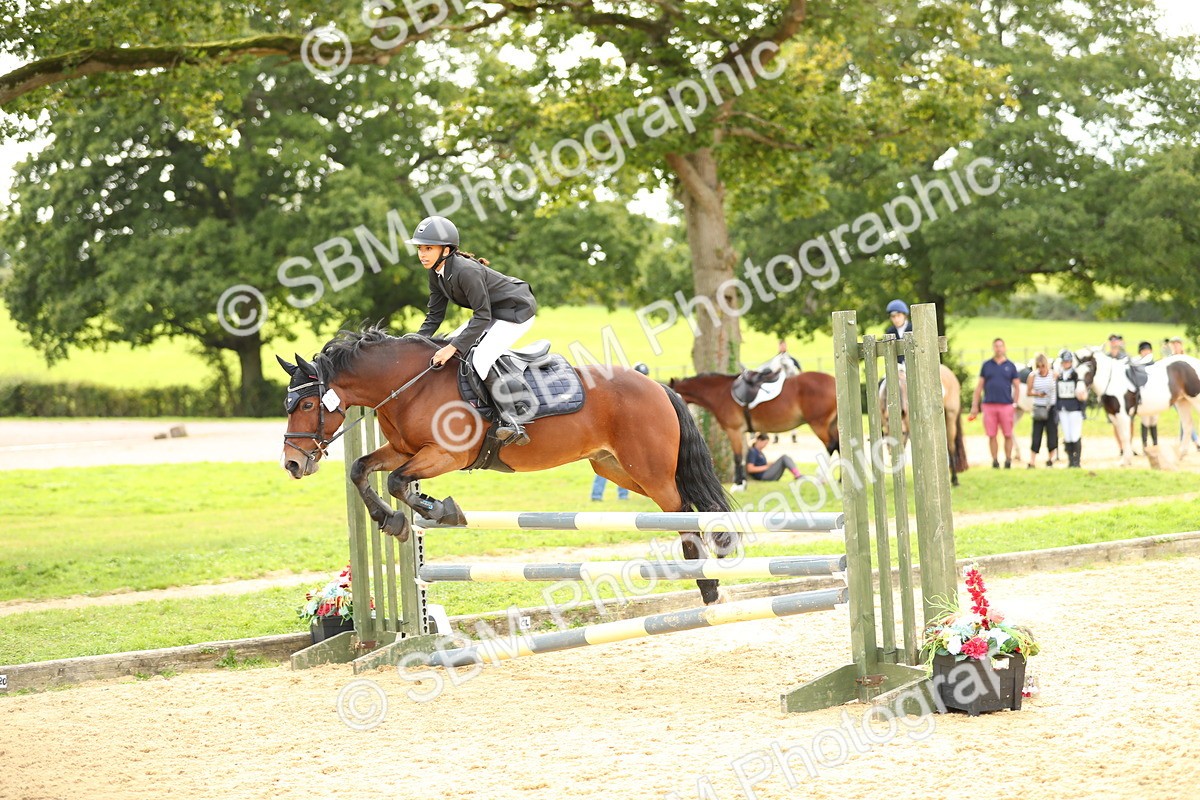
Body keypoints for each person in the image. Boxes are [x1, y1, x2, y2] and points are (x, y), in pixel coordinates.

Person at [412, 216, 538, 446]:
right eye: (420, 248)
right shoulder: (436, 272)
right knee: (453, 345)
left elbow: (482, 316)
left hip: (515, 311)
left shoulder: (465, 271)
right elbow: (434, 317)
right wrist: (413, 343)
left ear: (446, 249)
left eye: (428, 248)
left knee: (480, 357)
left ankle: (512, 419)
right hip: (491, 312)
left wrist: (452, 348)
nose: (422, 254)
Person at [969, 338, 1021, 468]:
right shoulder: (987, 365)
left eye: (1000, 346)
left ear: (1004, 348)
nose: (998, 349)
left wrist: (1014, 403)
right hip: (989, 405)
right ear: (993, 348)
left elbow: (1017, 386)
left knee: (1008, 434)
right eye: (996, 346)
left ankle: (1008, 460)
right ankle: (995, 460)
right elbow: (979, 386)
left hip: (1006, 405)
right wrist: (975, 405)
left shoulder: (1010, 366)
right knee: (992, 435)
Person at [1025, 353, 1058, 468]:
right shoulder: (1033, 376)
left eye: (1043, 366)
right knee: (1036, 435)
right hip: (1039, 408)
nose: (1041, 369)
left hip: (1051, 408)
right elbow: (1028, 392)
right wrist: (1038, 394)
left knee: (1052, 434)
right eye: (1038, 366)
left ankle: (1050, 459)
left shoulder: (1053, 374)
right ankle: (1032, 461)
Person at [1167, 337, 1200, 450]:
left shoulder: (1188, 360)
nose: (1175, 346)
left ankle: (1191, 440)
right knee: (1184, 418)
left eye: (1177, 344)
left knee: (1185, 418)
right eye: (1173, 344)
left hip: (1190, 390)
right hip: (1176, 394)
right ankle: (1190, 440)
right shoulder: (1169, 360)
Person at [1056, 349, 1086, 468]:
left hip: (1075, 408)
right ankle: (1070, 460)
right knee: (1067, 435)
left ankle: (1076, 461)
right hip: (1063, 408)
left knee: (1075, 434)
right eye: (1065, 362)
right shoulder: (1059, 375)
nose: (1066, 364)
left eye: (1068, 362)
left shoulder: (1076, 375)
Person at [1133, 341, 1158, 453]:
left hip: (1154, 396)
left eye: (1147, 350)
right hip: (1143, 397)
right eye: (1143, 350)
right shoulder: (1138, 366)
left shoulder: (1155, 365)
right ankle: (1145, 446)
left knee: (1154, 420)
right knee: (1145, 421)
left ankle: (1155, 444)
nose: (1146, 352)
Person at [884, 300, 913, 365]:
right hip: (897, 367)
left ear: (905, 315)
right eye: (893, 317)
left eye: (899, 315)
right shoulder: (890, 331)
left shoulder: (913, 328)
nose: (896, 319)